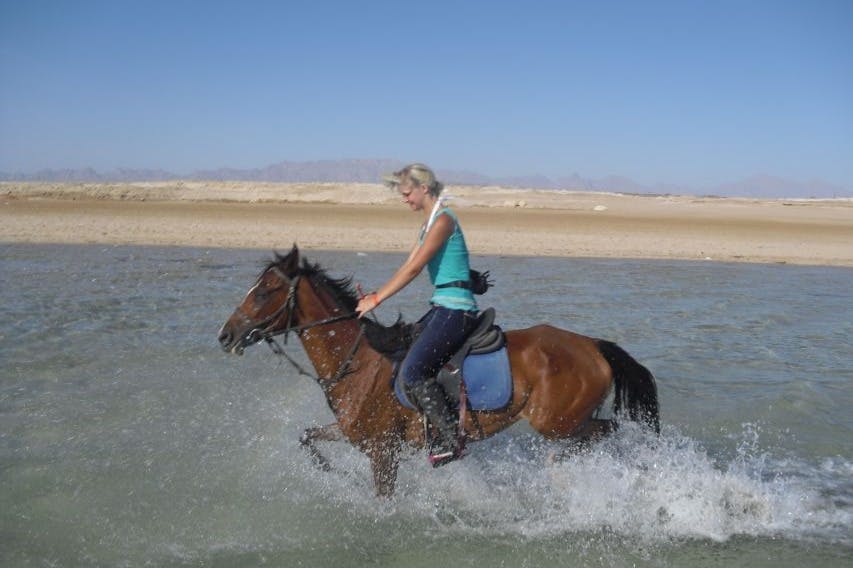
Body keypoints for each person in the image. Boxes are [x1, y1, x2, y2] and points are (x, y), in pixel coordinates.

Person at [356, 163, 478, 467]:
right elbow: (406, 264)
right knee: (401, 351)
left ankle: (453, 439)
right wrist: (375, 293)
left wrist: (377, 299)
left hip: (457, 310)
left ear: (424, 188)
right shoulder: (428, 223)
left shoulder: (444, 221)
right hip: (442, 306)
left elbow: (414, 269)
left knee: (412, 372)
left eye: (407, 193)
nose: (405, 199)